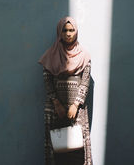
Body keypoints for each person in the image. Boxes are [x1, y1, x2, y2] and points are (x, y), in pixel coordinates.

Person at [38, 17, 93, 165]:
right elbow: (47, 80)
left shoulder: (84, 55)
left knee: (77, 151)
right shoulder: (51, 55)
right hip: (54, 109)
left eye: (71, 30)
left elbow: (85, 81)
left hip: (77, 110)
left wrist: (75, 105)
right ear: (59, 33)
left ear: (76, 32)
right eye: (64, 30)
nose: (68, 34)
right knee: (56, 149)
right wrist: (56, 104)